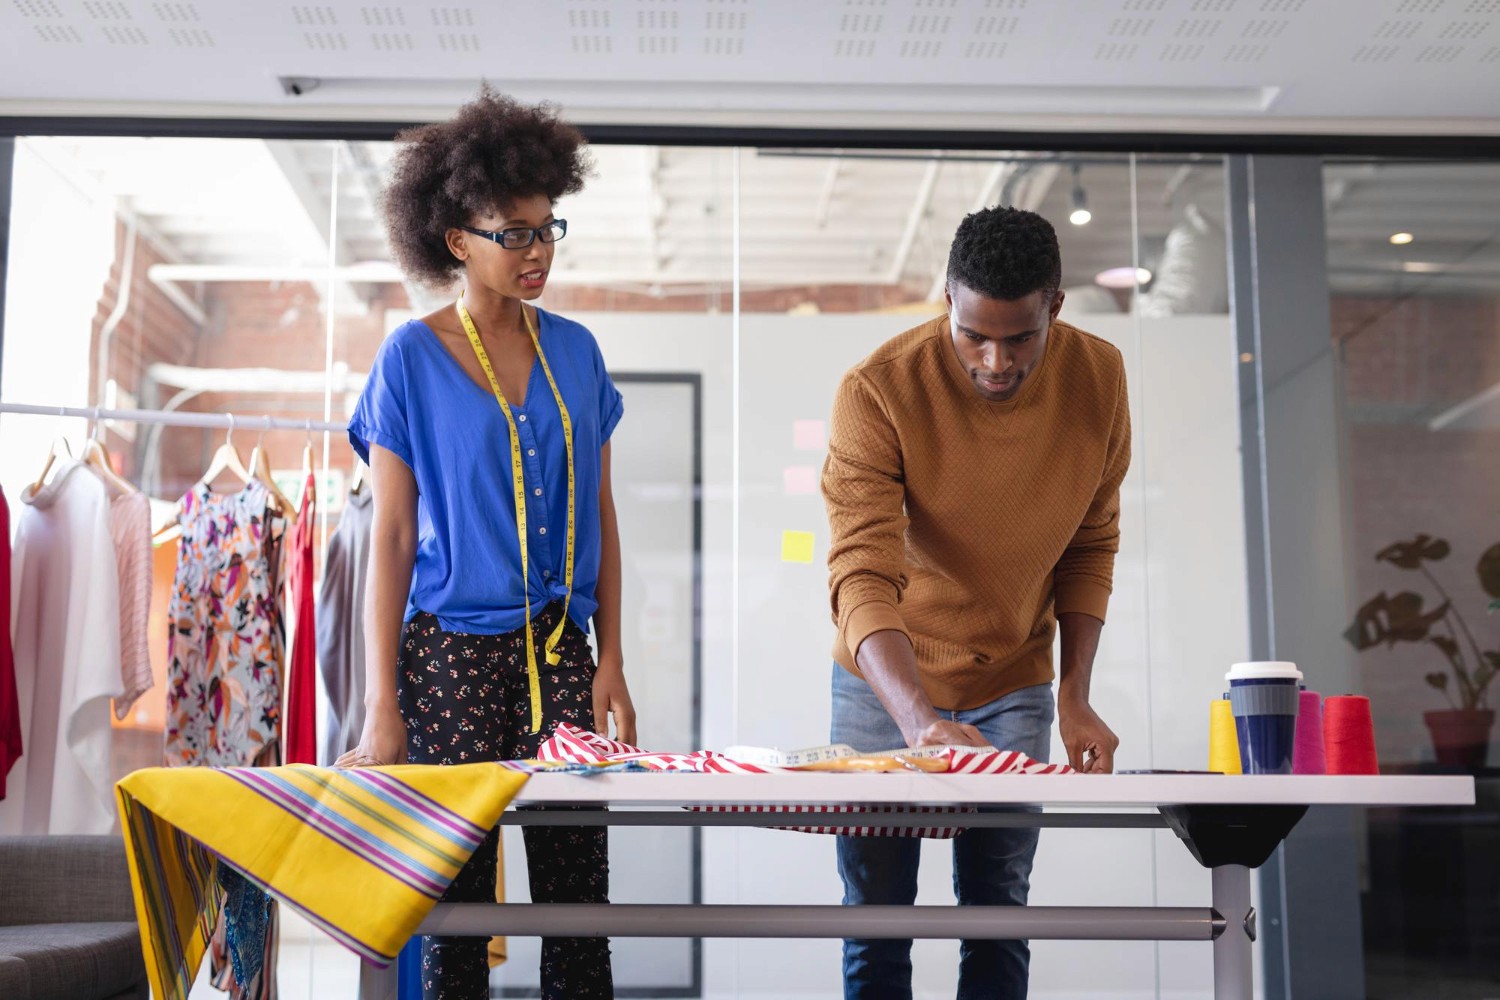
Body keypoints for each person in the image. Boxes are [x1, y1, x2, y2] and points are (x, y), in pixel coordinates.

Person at [338, 88, 634, 1000]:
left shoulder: (578, 353)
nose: (537, 250)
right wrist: (380, 702)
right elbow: (389, 538)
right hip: (451, 660)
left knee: (579, 907)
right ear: (455, 237)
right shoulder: (410, 359)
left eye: (548, 228)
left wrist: (612, 656)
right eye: (514, 232)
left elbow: (604, 513)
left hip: (561, 649)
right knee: (456, 918)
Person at [822, 206, 1130, 999]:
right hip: (882, 688)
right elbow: (860, 572)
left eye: (1019, 338)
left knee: (998, 919)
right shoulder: (878, 390)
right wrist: (918, 719)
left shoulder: (1099, 379)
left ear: (1054, 307)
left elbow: (1091, 543)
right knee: (877, 922)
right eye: (973, 335)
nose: (995, 361)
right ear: (947, 300)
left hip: (1012, 681)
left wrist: (1075, 694)